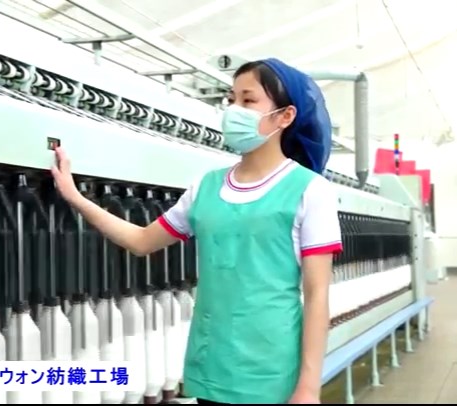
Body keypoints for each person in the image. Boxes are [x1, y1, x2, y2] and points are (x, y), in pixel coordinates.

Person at [51, 58, 342, 404]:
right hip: (209, 367)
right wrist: (75, 197)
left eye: (248, 100)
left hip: (272, 374)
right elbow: (142, 241)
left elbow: (317, 295)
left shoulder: (310, 190)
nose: (234, 110)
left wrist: (308, 388)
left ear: (285, 116)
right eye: (231, 99)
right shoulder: (206, 187)